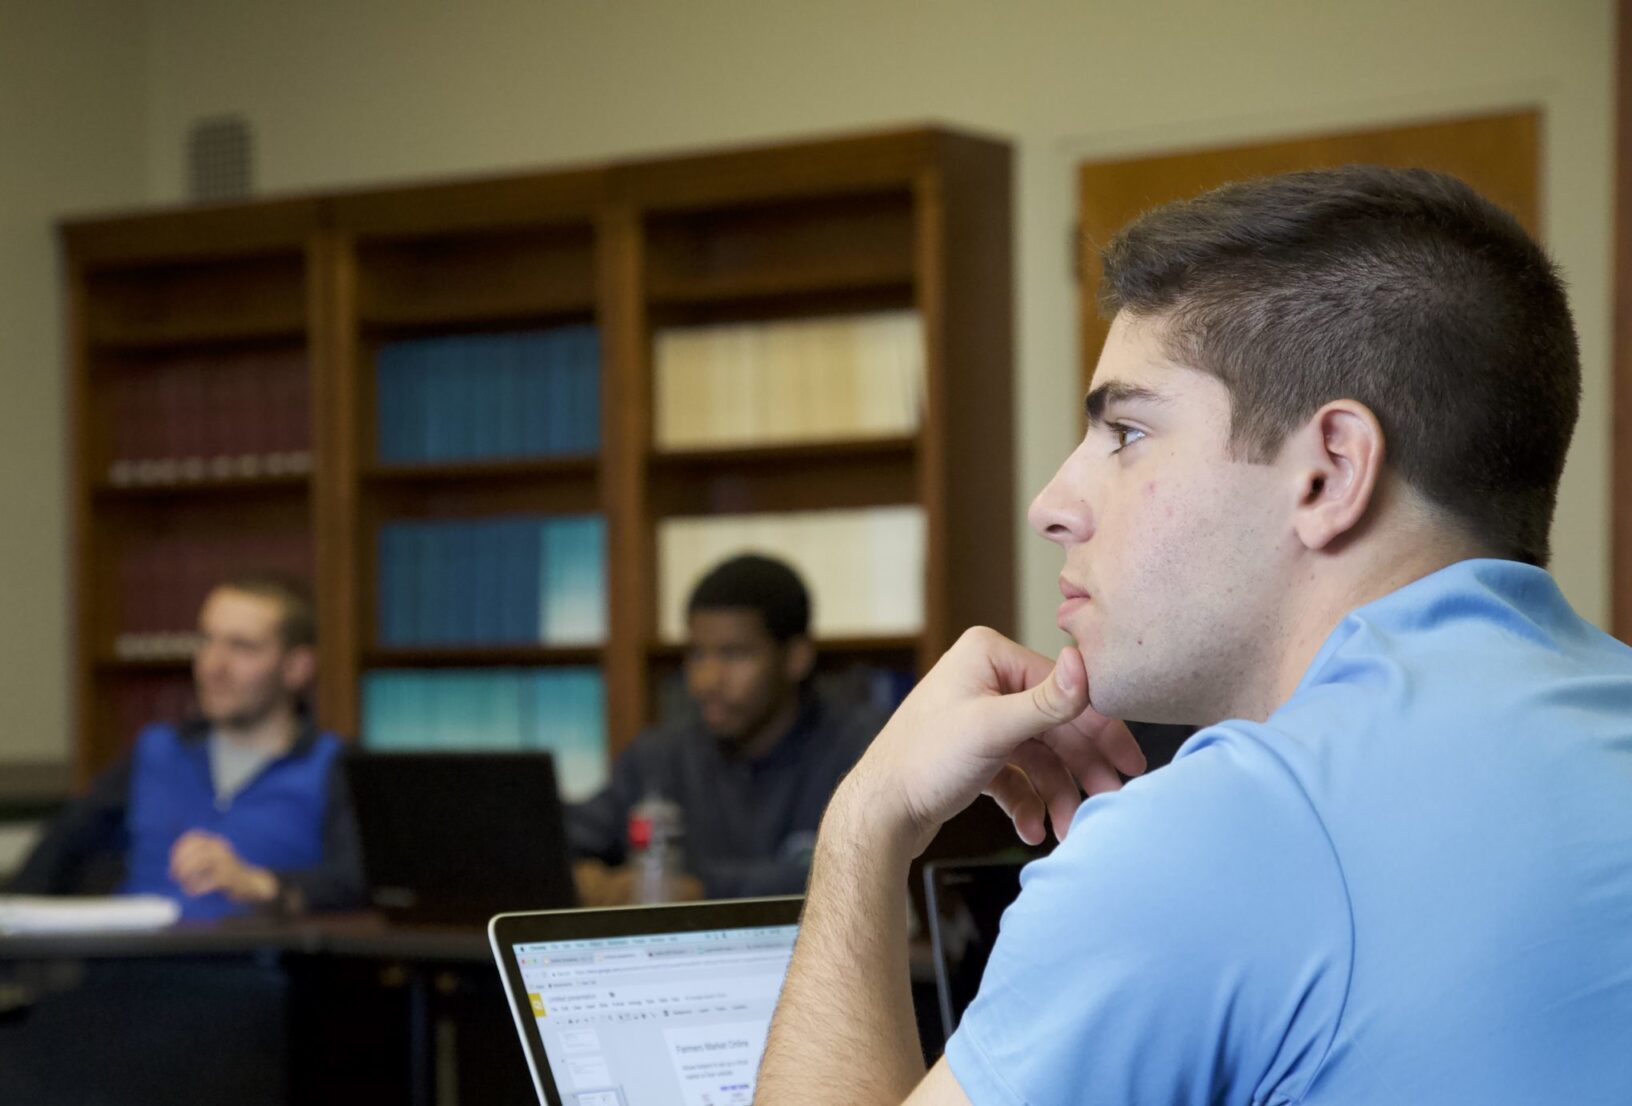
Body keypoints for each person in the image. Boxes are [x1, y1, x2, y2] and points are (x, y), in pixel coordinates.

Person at [758, 166, 1632, 1104]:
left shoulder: (1221, 838)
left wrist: (866, 823)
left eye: (1127, 434)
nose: (1050, 504)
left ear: (1330, 472)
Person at [9, 577, 360, 918]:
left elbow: (359, 884)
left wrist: (259, 884)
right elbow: (57, 854)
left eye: (242, 647)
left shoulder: (333, 764)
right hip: (135, 963)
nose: (213, 665)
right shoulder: (156, 751)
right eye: (206, 641)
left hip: (259, 966)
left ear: (297, 668)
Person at [565, 554, 880, 903]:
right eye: (698, 655)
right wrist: (587, 879)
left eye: (735, 655)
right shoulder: (658, 757)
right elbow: (567, 843)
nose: (707, 681)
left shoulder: (862, 750)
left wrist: (700, 891)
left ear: (796, 658)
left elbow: (868, 872)